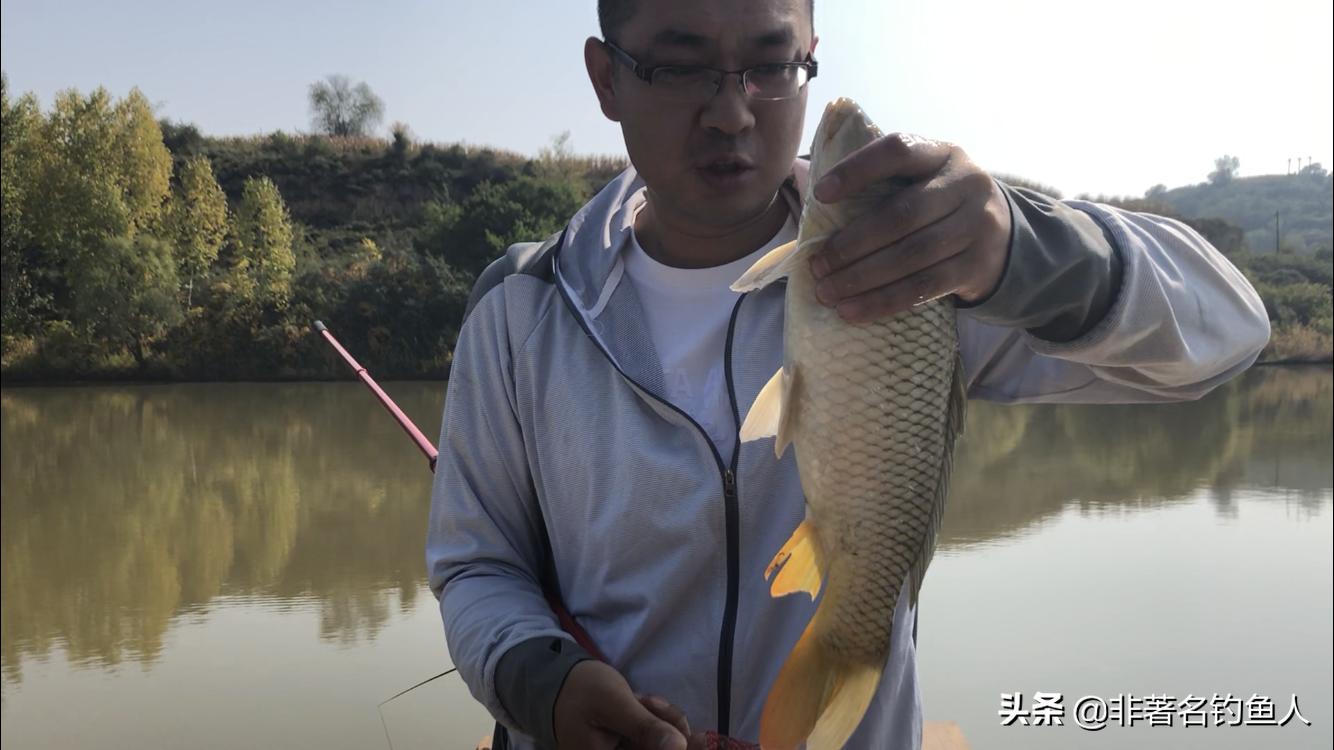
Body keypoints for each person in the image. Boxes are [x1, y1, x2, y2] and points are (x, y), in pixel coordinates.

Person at [426, 1, 1270, 748]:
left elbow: (1229, 331)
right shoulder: (519, 310)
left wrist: (1020, 249)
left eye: (768, 64)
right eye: (680, 65)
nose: (731, 112)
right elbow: (477, 565)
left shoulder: (918, 273)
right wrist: (546, 684)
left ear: (810, 55)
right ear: (606, 79)